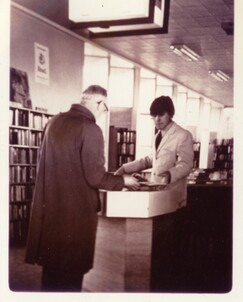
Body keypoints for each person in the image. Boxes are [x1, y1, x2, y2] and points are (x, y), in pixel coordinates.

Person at [25, 85, 140, 292]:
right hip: (76, 220)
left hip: (51, 217)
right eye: (104, 108)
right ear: (98, 103)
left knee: (51, 278)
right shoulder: (91, 129)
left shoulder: (54, 122)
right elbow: (95, 176)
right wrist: (124, 181)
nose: (104, 113)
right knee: (70, 280)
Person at [115, 95, 194, 291]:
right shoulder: (157, 134)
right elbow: (152, 159)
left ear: (170, 114)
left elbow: (186, 164)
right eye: (154, 116)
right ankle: (156, 283)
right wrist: (126, 167)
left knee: (166, 249)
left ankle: (164, 287)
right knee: (157, 246)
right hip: (157, 198)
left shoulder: (183, 135)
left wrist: (168, 175)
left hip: (172, 198)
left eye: (161, 115)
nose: (157, 119)